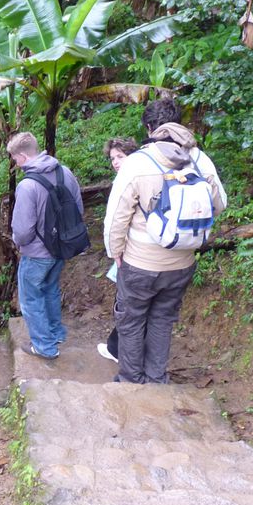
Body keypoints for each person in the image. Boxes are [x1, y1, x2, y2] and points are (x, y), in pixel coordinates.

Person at [103, 98, 226, 384]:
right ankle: (157, 379)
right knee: (162, 319)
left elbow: (116, 218)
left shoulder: (137, 163)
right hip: (182, 263)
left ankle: (132, 381)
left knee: (132, 321)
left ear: (148, 127)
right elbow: (219, 204)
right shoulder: (199, 159)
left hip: (140, 263)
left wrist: (115, 252)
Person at [7, 132, 84, 360]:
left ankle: (45, 347)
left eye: (14, 158)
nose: (15, 163)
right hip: (61, 248)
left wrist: (17, 242)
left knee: (31, 298)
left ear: (22, 156)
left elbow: (22, 231)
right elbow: (78, 209)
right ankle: (55, 332)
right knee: (50, 289)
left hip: (37, 253)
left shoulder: (27, 186)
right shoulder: (64, 172)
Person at [98, 137, 139, 363]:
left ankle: (118, 351)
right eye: (113, 158)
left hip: (132, 253)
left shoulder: (130, 181)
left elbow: (117, 221)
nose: (115, 162)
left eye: (120, 157)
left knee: (126, 304)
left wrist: (115, 250)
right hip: (135, 251)